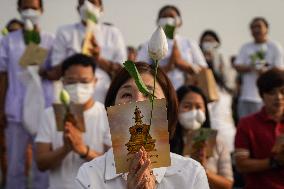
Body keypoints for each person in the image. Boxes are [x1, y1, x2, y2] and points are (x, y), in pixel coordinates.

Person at [76, 62, 209, 188]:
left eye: (149, 95)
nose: (138, 102)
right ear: (111, 107)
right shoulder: (89, 175)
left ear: (167, 109)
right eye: (127, 94)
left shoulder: (191, 174)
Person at [35, 53, 111, 189]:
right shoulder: (50, 114)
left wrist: (83, 150)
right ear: (63, 82)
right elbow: (40, 163)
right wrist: (65, 149)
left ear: (95, 82)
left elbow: (114, 164)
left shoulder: (107, 116)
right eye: (71, 81)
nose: (78, 87)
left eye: (84, 81)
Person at [0, 0, 54, 188]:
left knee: (42, 164)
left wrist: (42, 69)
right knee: (15, 164)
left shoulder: (49, 39)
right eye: (25, 7)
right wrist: (1, 110)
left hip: (43, 108)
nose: (29, 11)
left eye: (33, 7)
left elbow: (55, 72)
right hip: (15, 109)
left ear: (41, 10)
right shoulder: (8, 40)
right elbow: (4, 76)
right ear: (19, 9)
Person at [49, 0, 127, 103]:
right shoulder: (65, 32)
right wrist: (79, 57)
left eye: (92, 2)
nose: (87, 5)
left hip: (104, 97)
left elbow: (123, 72)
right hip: (72, 96)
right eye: (83, 2)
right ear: (78, 9)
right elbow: (55, 72)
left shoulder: (112, 33)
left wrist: (98, 59)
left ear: (101, 8)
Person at [171, 85, 233, 189]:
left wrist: (203, 169)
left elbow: (227, 184)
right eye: (187, 106)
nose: (193, 111)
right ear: (176, 108)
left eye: (198, 107)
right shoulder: (165, 142)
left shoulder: (217, 142)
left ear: (205, 111)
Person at [235, 68, 284, 189]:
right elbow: (241, 164)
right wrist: (274, 162)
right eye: (272, 92)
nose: (278, 97)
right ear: (262, 95)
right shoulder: (247, 124)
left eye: (283, 91)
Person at [137, 5, 207, 90]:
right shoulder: (148, 44)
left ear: (180, 22)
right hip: (159, 90)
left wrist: (182, 64)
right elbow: (139, 69)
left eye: (171, 16)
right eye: (164, 16)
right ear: (158, 22)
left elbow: (204, 69)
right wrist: (167, 67)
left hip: (187, 91)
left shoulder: (189, 43)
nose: (168, 19)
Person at [234, 17, 284, 118]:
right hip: (247, 96)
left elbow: (280, 69)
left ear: (266, 29)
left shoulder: (275, 46)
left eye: (259, 27)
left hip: (268, 97)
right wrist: (252, 68)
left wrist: (265, 71)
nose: (256, 30)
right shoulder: (246, 47)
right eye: (253, 27)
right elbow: (237, 65)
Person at [199, 30, 236, 153]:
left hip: (222, 98)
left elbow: (229, 83)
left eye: (211, 40)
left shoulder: (223, 59)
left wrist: (214, 61)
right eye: (206, 40)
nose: (208, 43)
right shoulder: (196, 58)